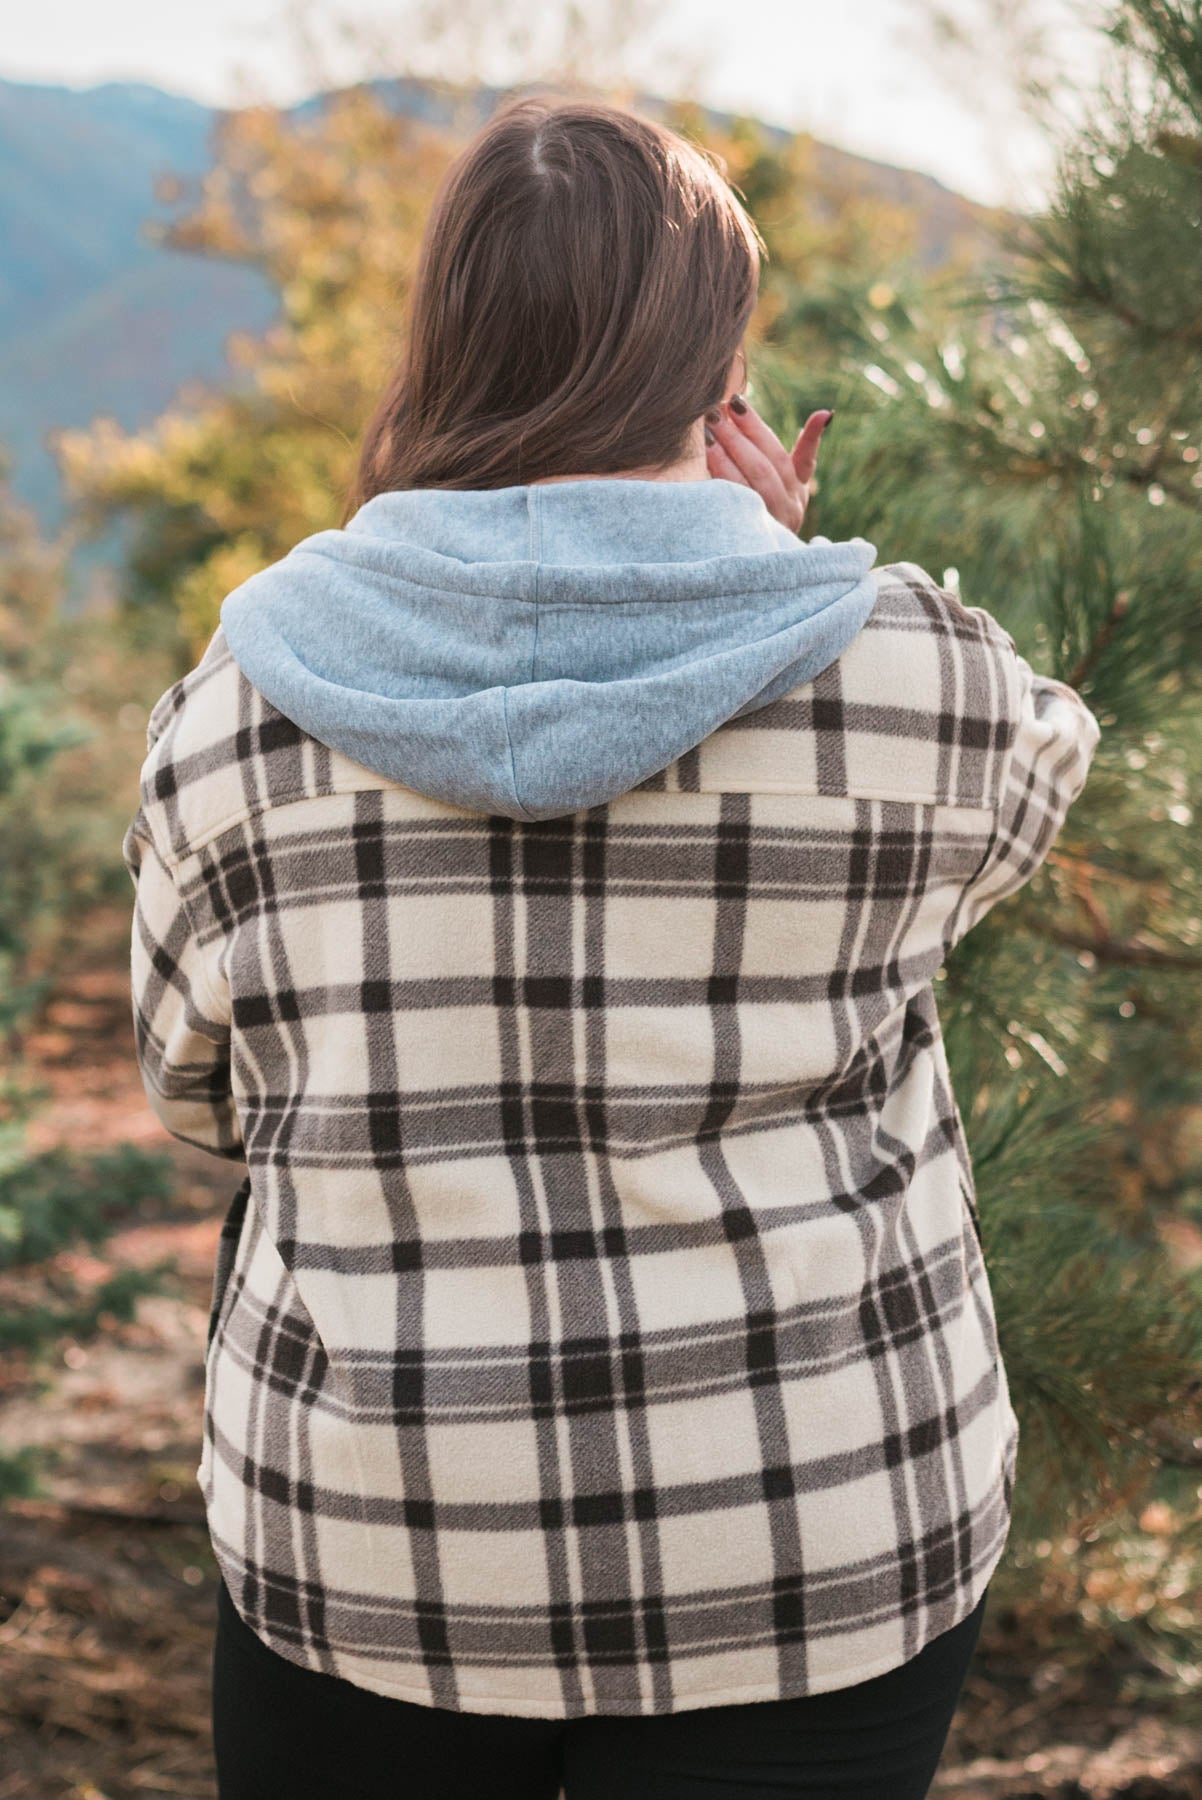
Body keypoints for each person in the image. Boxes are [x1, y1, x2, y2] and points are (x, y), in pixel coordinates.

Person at [123, 95, 1102, 1799]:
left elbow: (201, 1094)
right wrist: (775, 567)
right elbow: (1030, 801)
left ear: (446, 342)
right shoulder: (910, 674)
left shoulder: (232, 712)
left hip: (378, 1546)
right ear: (715, 369)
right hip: (815, 1528)